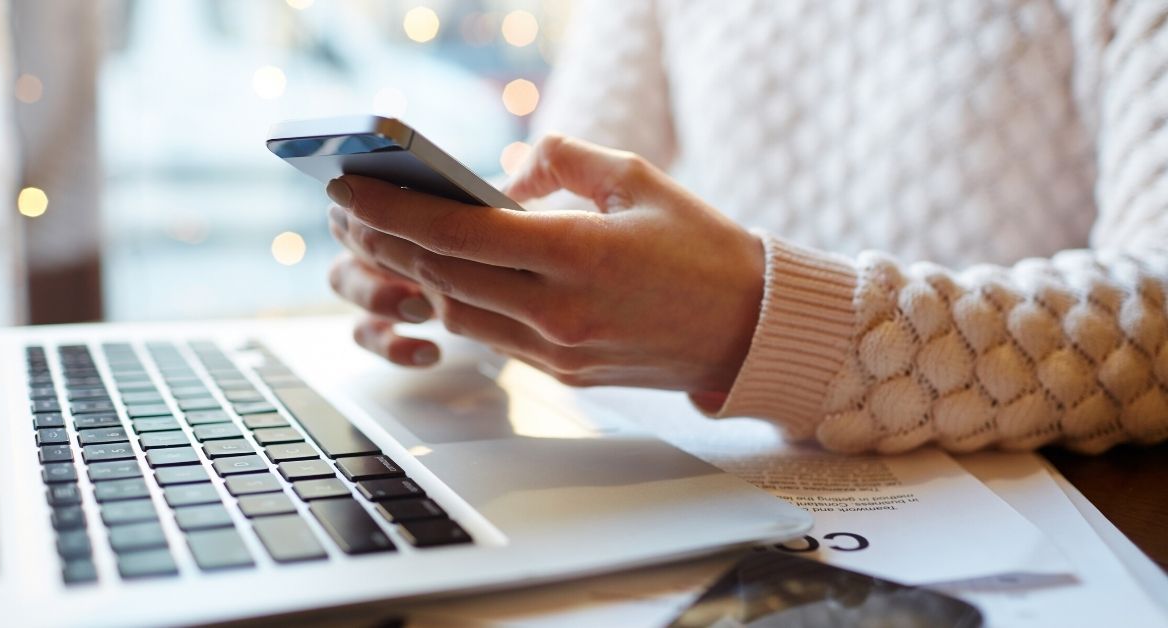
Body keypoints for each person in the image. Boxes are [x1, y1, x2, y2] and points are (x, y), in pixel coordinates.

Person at [324, 1, 1168, 454]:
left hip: (1040, 522)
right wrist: (457, 275)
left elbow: (1159, 307)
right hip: (725, 494)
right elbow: (562, 206)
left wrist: (768, 326)